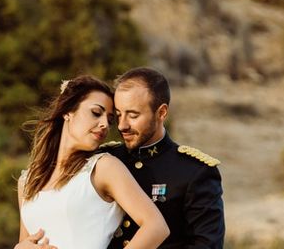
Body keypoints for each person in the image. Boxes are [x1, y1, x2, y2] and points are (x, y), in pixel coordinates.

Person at [15, 75, 170, 249]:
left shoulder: (103, 168)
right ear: (68, 111)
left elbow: (156, 227)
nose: (104, 124)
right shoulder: (27, 181)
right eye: (96, 113)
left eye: (110, 120)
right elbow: (25, 241)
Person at [105, 67, 225, 249]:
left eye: (133, 115)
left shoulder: (195, 171)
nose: (122, 126)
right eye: (119, 114)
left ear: (161, 113)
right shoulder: (105, 159)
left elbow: (207, 244)